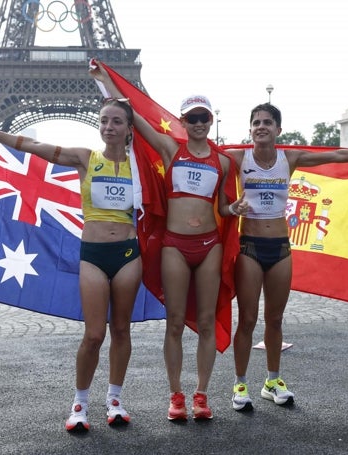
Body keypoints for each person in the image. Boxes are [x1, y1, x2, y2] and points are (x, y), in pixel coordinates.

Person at [0, 101, 141, 433]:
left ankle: (115, 399)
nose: (108, 127)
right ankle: (80, 404)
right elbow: (34, 146)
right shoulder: (87, 158)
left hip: (128, 253)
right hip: (93, 253)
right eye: (104, 120)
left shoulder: (140, 166)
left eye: (117, 121)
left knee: (121, 330)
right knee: (93, 334)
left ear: (129, 128)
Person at [222, 103, 348, 410]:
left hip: (280, 248)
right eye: (256, 122)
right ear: (250, 129)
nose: (261, 126)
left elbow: (335, 155)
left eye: (268, 122)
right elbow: (199, 155)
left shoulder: (289, 158)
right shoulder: (238, 158)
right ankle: (240, 385)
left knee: (275, 319)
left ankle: (272, 381)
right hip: (249, 247)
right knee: (248, 319)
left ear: (278, 130)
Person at [91, 62, 240, 421]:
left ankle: (201, 394)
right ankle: (175, 395)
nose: (199, 123)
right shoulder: (171, 150)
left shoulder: (223, 162)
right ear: (184, 122)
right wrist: (107, 81)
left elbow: (221, 206)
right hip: (175, 244)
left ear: (210, 121)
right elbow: (134, 118)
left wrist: (234, 207)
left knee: (206, 322)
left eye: (204, 117)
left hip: (208, 245)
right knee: (174, 322)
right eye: (192, 118)